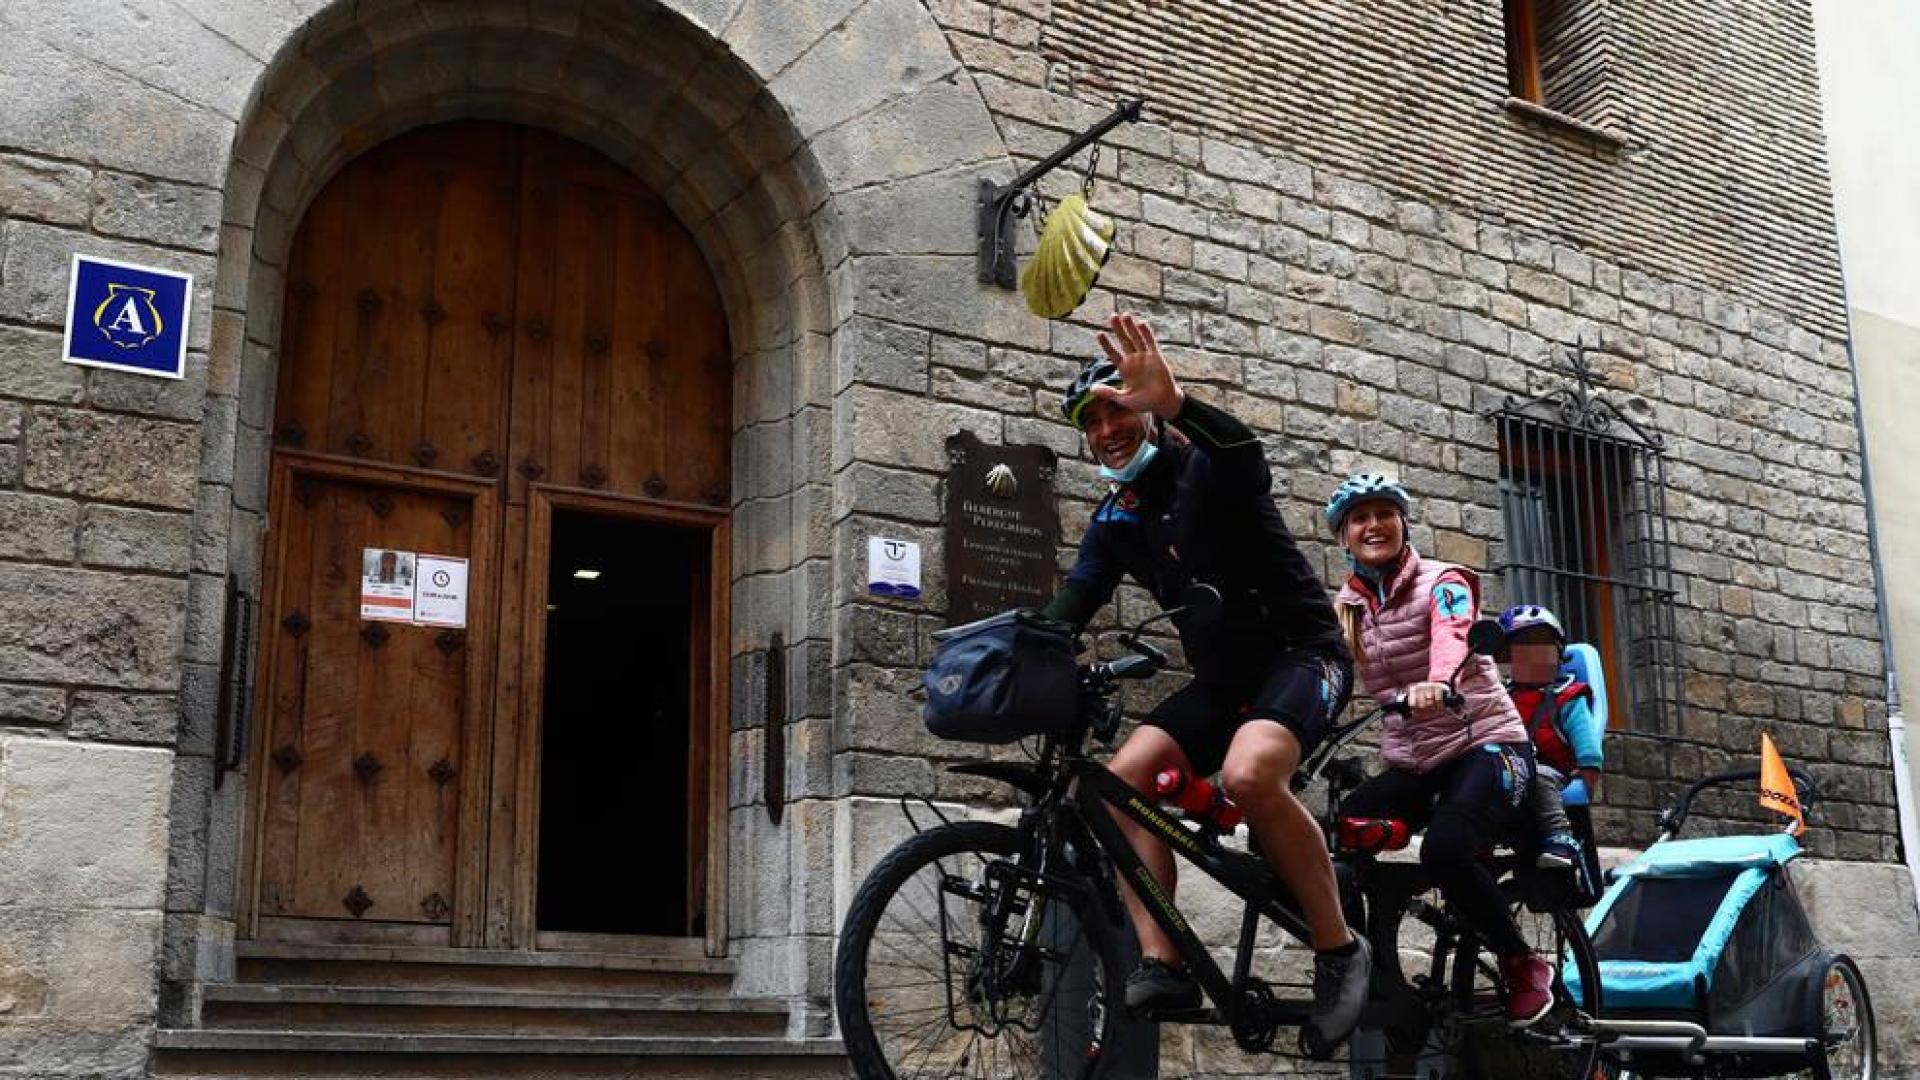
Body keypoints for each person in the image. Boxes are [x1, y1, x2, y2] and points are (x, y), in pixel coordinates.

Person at [1040, 312, 1369, 1046]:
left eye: (1116, 409)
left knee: (1251, 774)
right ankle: (1165, 961)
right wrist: (1000, 651)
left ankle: (1339, 950)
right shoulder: (1117, 515)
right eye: (1090, 422)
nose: (1105, 430)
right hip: (1222, 682)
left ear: (1147, 412)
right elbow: (1072, 601)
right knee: (1118, 783)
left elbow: (1248, 455)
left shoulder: (1203, 469)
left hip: (1300, 655)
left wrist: (1178, 403)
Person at [1325, 474, 1557, 1027]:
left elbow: (1453, 633)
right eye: (1359, 518)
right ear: (1344, 537)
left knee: (1445, 849)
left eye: (1384, 513)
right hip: (1416, 758)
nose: (1372, 525)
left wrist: (1437, 680)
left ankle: (1522, 961)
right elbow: (1332, 669)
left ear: (1403, 524)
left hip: (1487, 744)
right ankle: (1363, 959)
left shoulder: (1443, 581)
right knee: (1336, 830)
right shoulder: (1348, 608)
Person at [1496, 604, 1604, 881]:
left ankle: (1560, 836)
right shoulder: (1500, 699)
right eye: (1522, 650)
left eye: (1542, 648)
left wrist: (1589, 767)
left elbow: (1584, 733)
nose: (1533, 657)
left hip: (1551, 770)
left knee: (1538, 777)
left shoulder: (1567, 696)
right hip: (1508, 767)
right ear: (1507, 659)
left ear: (1558, 654)